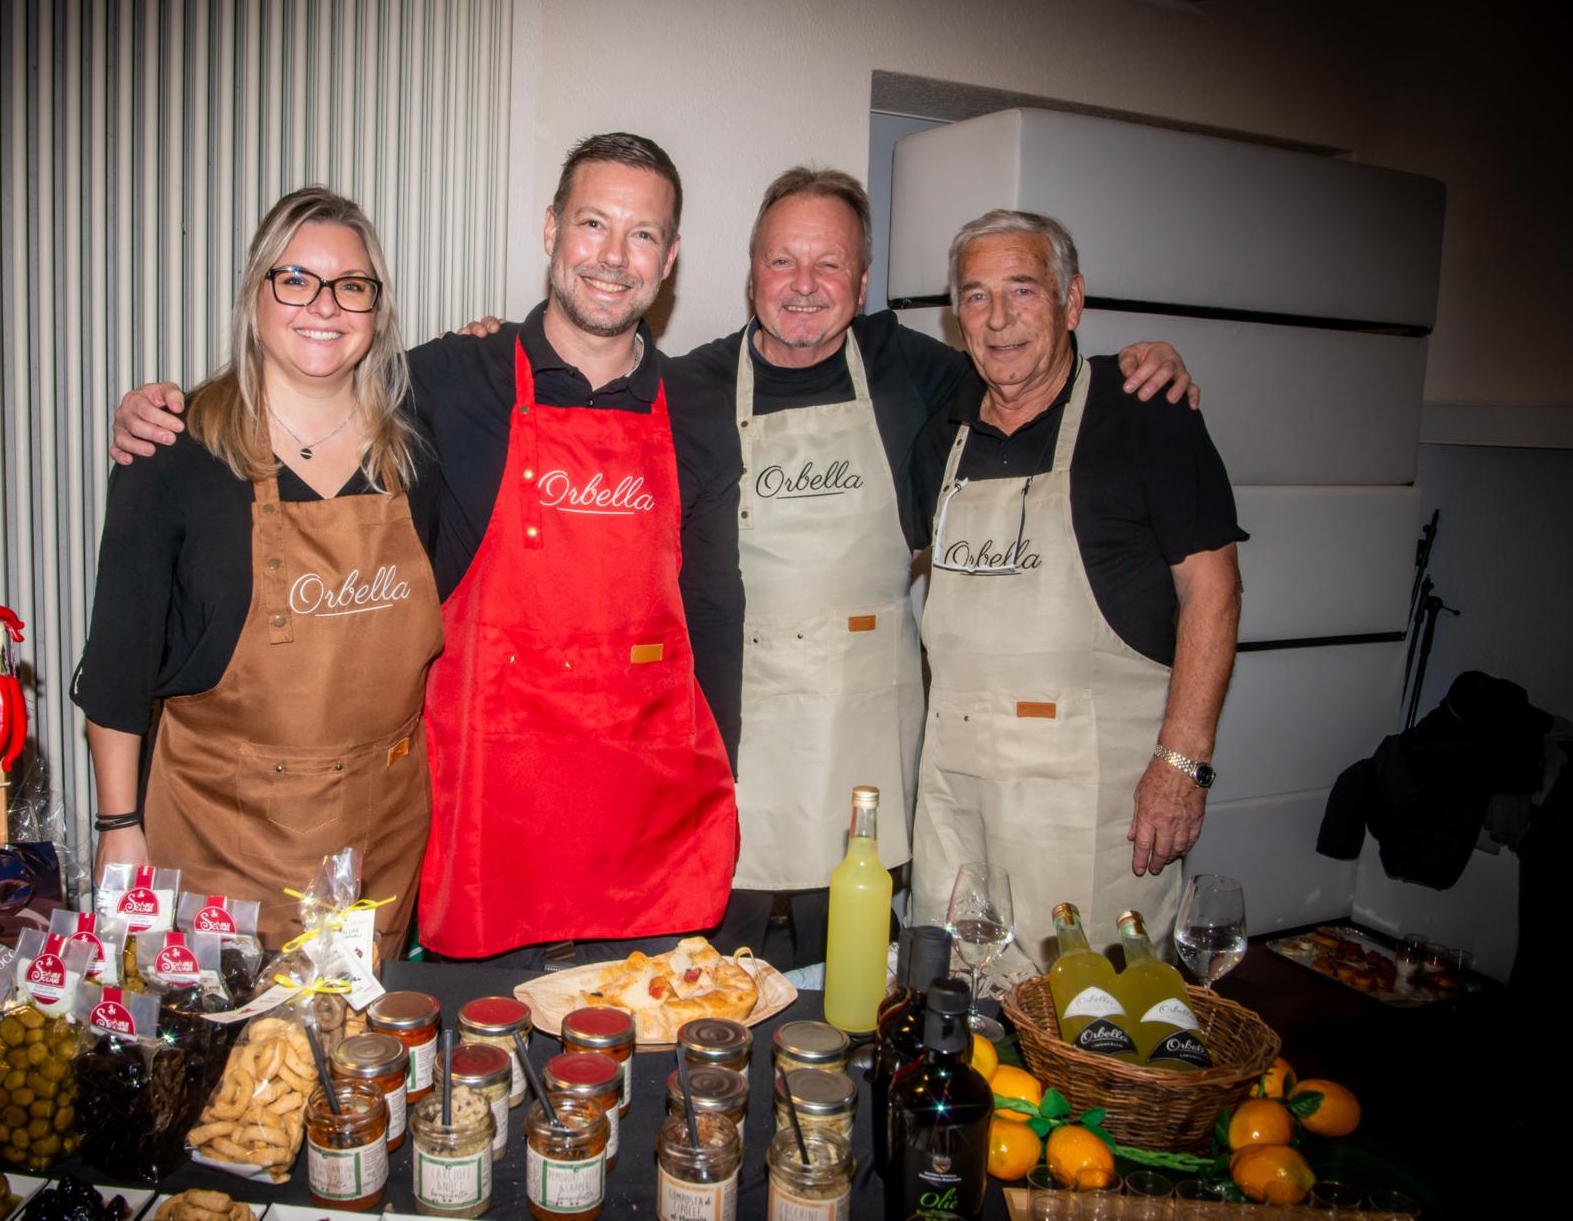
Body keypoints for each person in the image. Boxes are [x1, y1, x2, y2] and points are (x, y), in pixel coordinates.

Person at [447, 168, 1195, 967]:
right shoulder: (688, 387)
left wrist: (1132, 367)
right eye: (781, 262)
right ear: (748, 275)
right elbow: (578, 399)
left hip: (864, 757)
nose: (804, 286)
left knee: (854, 1004)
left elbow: (1031, 363)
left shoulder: (922, 376)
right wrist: (494, 351)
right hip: (725, 758)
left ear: (863, 282)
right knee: (706, 994)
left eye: (829, 265)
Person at [111, 135, 741, 963]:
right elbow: (312, 371)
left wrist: (719, 782)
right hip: (490, 826)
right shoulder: (446, 378)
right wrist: (166, 412)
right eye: (592, 223)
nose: (614, 257)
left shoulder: (699, 406)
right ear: (551, 229)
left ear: (672, 257)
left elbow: (714, 615)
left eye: (644, 234)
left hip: (641, 826)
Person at [73, 187, 441, 954]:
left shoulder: (419, 451)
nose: (325, 306)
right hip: (222, 836)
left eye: (353, 286)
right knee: (232, 1063)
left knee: (360, 1058)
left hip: (382, 835)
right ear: (256, 293)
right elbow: (118, 666)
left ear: (377, 310)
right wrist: (118, 831)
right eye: (296, 278)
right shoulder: (173, 453)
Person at [909, 209, 1244, 974]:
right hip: (957, 797)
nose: (998, 320)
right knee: (959, 1019)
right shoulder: (942, 436)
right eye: (976, 296)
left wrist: (1183, 766)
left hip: (1089, 806)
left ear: (1072, 300)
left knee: (1097, 1021)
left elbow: (1213, 592)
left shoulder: (1144, 415)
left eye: (1023, 290)